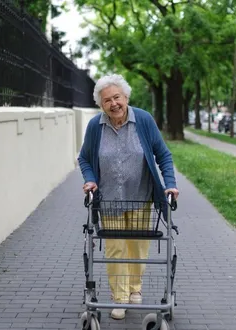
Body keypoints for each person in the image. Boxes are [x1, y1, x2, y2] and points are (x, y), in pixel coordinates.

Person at [77, 74, 179, 320]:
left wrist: (170, 185)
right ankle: (120, 298)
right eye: (106, 101)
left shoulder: (143, 120)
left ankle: (135, 288)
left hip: (140, 198)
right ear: (101, 105)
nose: (113, 104)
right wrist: (90, 179)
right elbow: (84, 159)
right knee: (115, 250)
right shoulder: (95, 126)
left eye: (117, 97)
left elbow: (163, 155)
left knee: (137, 248)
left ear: (126, 97)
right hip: (109, 199)